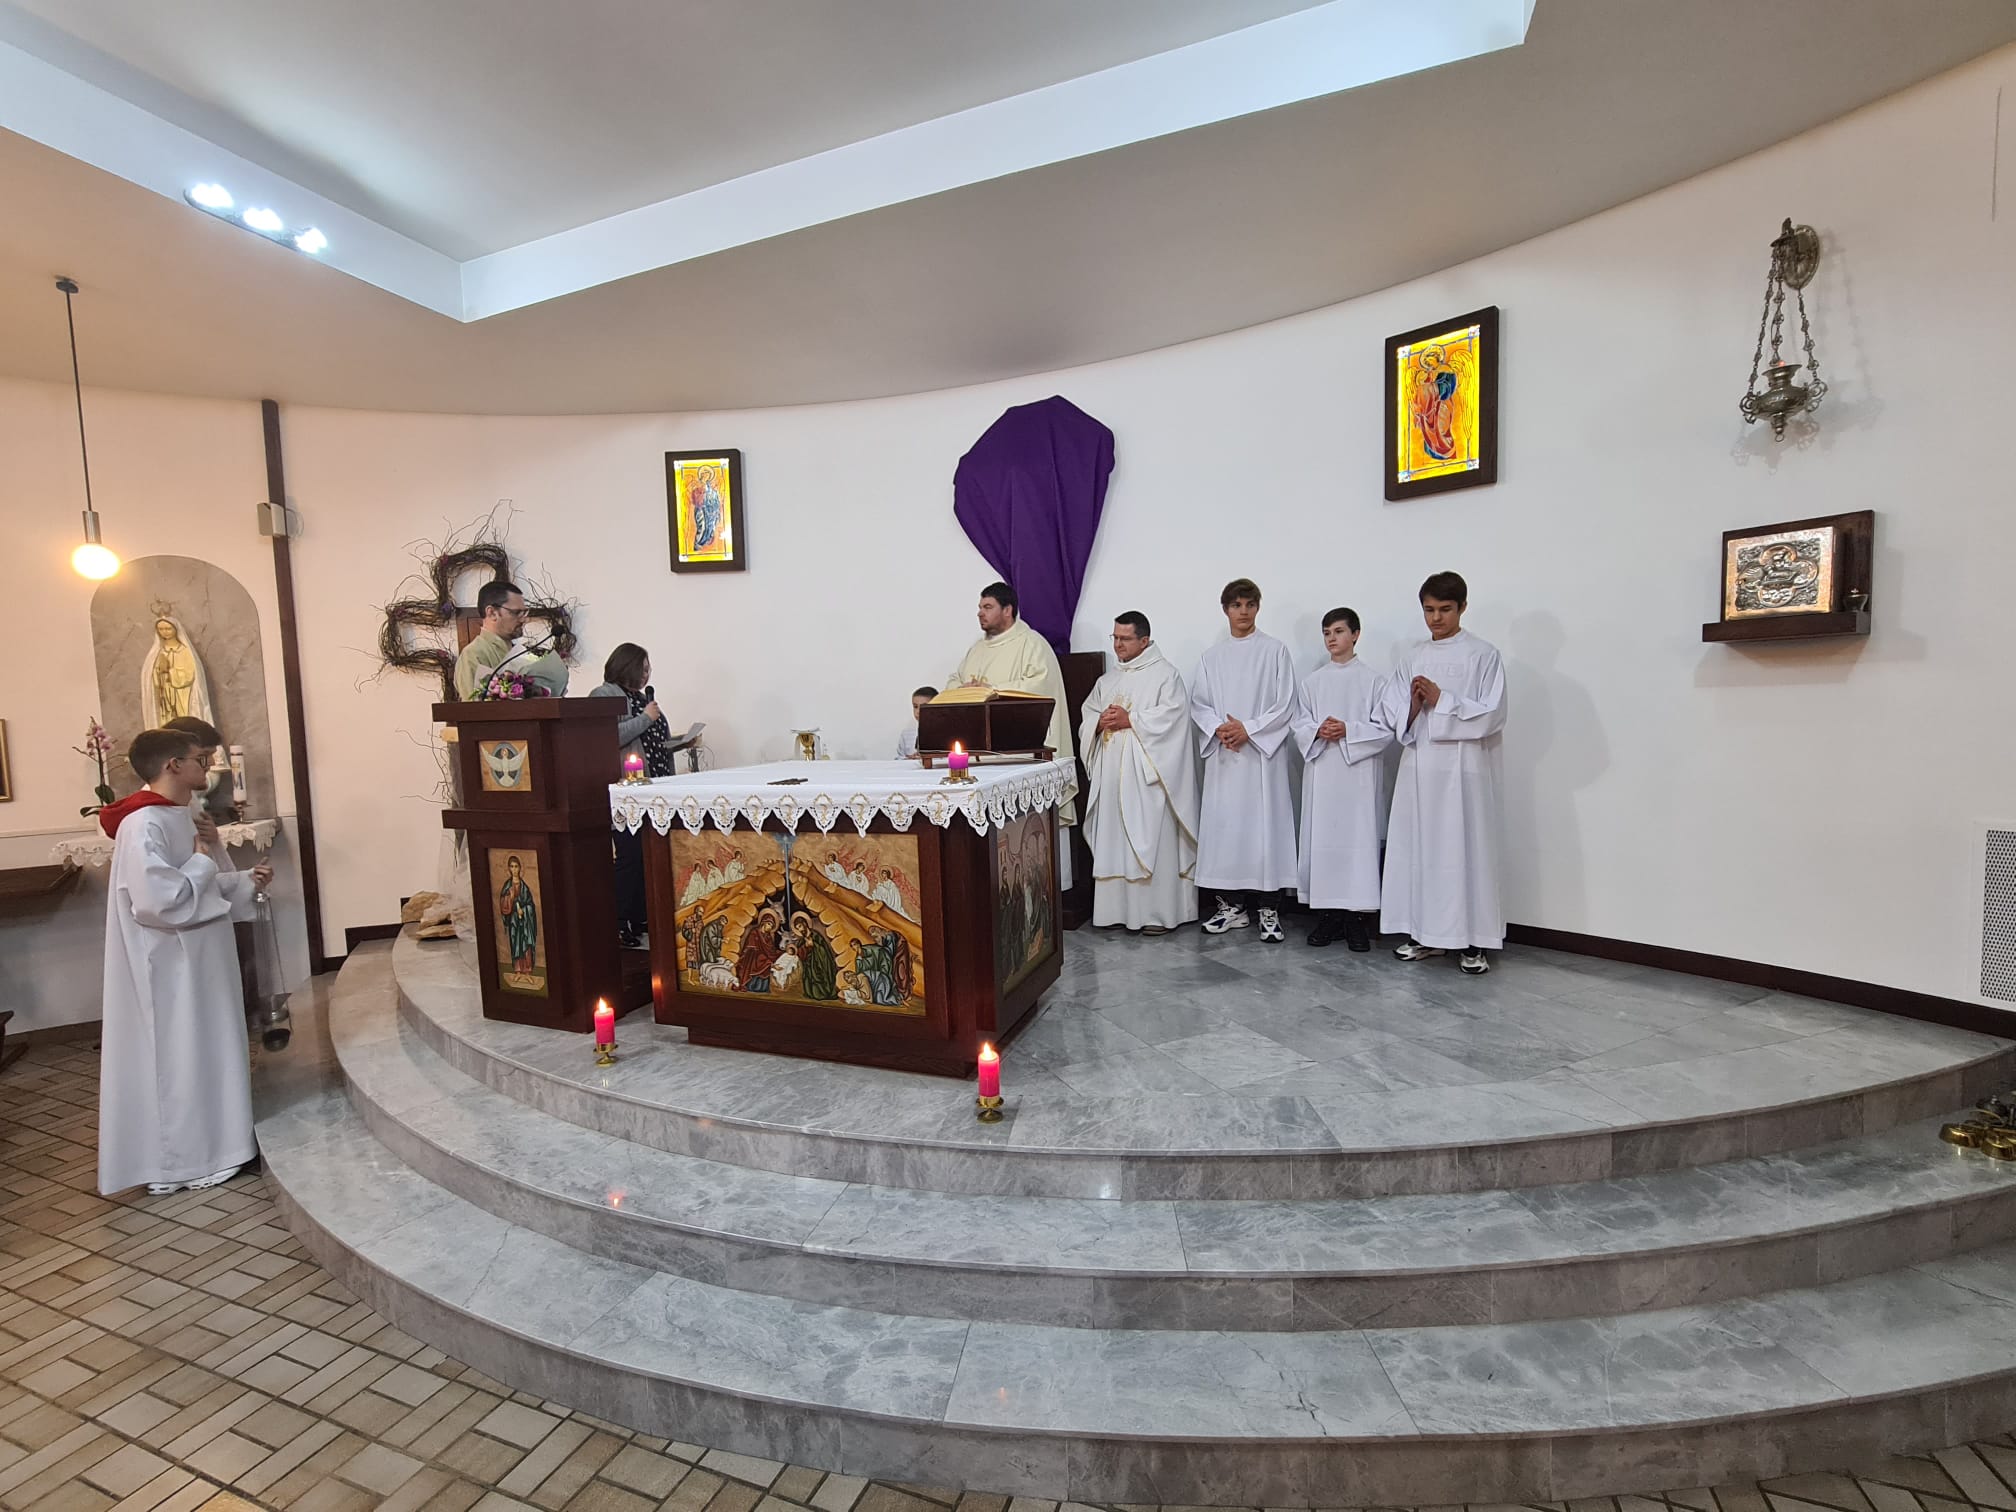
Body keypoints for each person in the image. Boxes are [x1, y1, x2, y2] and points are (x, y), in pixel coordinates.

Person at [97, 728, 273, 1196]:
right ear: (173, 765)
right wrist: (200, 862)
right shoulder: (142, 824)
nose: (208, 767)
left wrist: (244, 881)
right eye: (201, 759)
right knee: (180, 1054)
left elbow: (203, 881)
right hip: (169, 965)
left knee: (210, 1046)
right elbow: (158, 901)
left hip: (202, 957)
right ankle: (186, 1160)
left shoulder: (183, 813)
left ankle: (224, 1144)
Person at [1380, 571, 1507, 975]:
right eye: (1429, 610)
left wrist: (1442, 699)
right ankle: (1425, 934)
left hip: (1465, 771)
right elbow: (1393, 712)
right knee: (1421, 849)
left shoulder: (1483, 655)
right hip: (1420, 768)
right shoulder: (1413, 657)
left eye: (1445, 609)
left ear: (1463, 607)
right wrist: (1414, 707)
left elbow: (1492, 714)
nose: (1436, 618)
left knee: (1465, 850)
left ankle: (1473, 940)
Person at [1078, 611, 1200, 933]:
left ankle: (1157, 914)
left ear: (1144, 640)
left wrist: (1131, 720)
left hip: (1148, 779)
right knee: (1115, 842)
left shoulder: (1166, 676)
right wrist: (1098, 722)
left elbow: (1174, 719)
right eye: (1115, 638)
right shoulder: (1107, 681)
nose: (1118, 645)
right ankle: (1114, 912)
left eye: (1125, 639)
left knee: (1151, 841)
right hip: (1112, 777)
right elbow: (1088, 714)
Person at [1191, 578, 1299, 941]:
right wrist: (1221, 730)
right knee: (1227, 831)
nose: (1243, 612)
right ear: (1225, 610)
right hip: (1226, 756)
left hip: (1261, 758)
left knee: (1265, 830)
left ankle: (1269, 909)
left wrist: (1248, 729)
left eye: (1250, 605)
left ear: (1258, 607)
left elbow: (1285, 704)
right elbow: (1199, 704)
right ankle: (1232, 907)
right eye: (1236, 605)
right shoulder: (1212, 657)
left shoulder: (1275, 651)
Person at [948, 581, 1078, 881]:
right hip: (983, 758)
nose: (980, 613)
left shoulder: (1032, 644)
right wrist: (965, 689)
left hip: (1022, 758)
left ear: (1007, 610)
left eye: (987, 607)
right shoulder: (976, 650)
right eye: (980, 607)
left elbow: (1039, 688)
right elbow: (953, 682)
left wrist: (991, 690)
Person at [1292, 608, 1393, 951]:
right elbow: (1299, 724)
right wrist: (1317, 730)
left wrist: (1349, 729)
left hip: (1358, 777)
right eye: (1326, 633)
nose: (1331, 638)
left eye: (1338, 631)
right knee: (1324, 843)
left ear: (1355, 634)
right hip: (1323, 773)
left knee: (1358, 843)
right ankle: (1329, 916)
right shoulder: (1313, 682)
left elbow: (1385, 728)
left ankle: (1356, 920)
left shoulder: (1374, 681)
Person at [592, 643, 669, 947]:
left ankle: (640, 916)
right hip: (627, 791)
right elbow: (607, 737)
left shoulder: (641, 698)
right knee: (629, 855)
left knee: (648, 855)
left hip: (654, 788)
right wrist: (646, 718)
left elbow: (653, 740)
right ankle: (620, 919)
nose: (647, 674)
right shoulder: (604, 695)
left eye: (649, 668)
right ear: (627, 666)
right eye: (643, 668)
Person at [454, 580, 569, 700]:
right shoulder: (473, 655)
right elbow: (473, 707)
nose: (523, 619)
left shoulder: (519, 651)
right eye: (517, 612)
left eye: (524, 612)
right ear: (492, 613)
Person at [895, 686, 938, 760]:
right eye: (915, 706)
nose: (918, 711)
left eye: (924, 706)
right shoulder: (906, 734)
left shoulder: (946, 734)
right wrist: (908, 759)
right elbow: (899, 759)